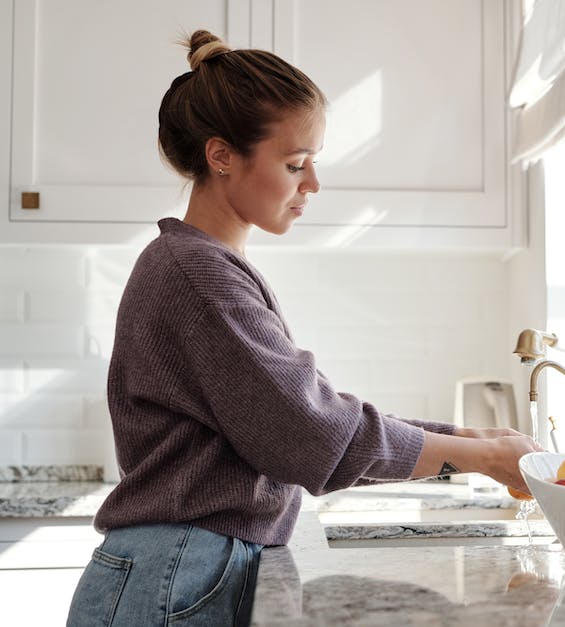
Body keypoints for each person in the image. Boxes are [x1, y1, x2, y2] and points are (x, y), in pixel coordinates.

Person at [66, 30, 540, 627]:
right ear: (222, 156)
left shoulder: (202, 267)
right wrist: (482, 456)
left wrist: (469, 439)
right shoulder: (197, 274)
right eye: (295, 164)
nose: (312, 184)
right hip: (178, 574)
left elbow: (307, 421)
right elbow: (314, 434)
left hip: (183, 570)